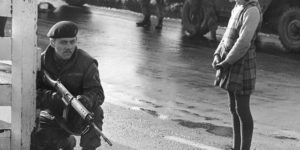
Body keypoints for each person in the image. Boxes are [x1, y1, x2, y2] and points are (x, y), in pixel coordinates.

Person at [31, 21, 105, 150]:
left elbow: (98, 94)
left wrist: (86, 100)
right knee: (40, 142)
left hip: (77, 116)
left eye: (72, 42)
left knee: (96, 112)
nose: (69, 46)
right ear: (52, 43)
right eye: (63, 42)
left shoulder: (87, 63)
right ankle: (66, 142)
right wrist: (53, 98)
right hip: (53, 114)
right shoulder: (41, 62)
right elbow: (31, 93)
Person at [212, 0, 262, 150]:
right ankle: (236, 147)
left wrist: (227, 62)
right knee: (233, 108)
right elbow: (227, 34)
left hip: (243, 63)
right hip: (231, 61)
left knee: (242, 109)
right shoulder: (238, 7)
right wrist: (217, 55)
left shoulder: (252, 10)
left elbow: (243, 42)